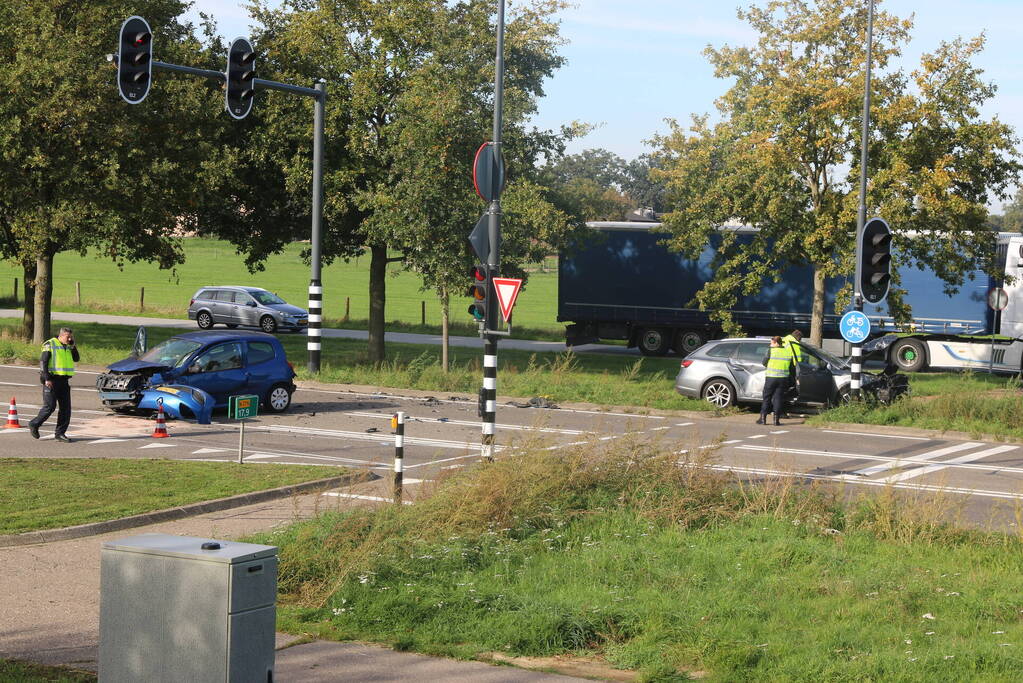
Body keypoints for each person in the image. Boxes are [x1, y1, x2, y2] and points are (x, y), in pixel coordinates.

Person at [29, 327, 80, 443]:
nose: (70, 338)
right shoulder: (50, 344)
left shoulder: (68, 345)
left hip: (64, 381)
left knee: (66, 409)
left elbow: (76, 358)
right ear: (61, 335)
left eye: (71, 336)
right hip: (51, 380)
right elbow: (43, 362)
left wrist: (73, 346)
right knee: (50, 407)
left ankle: (60, 433)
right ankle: (34, 424)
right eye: (68, 336)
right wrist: (46, 378)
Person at [758, 335, 793, 426]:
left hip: (771, 378)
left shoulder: (771, 350)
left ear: (776, 343)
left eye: (772, 343)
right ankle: (776, 421)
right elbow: (791, 366)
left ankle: (763, 419)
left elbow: (764, 362)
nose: (770, 344)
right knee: (778, 399)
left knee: (767, 398)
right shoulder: (788, 351)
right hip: (783, 379)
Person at [779, 329, 804, 417]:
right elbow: (798, 361)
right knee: (785, 391)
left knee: (780, 391)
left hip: (780, 368)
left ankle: (778, 410)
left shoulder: (784, 340)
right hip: (789, 369)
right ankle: (782, 411)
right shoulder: (794, 344)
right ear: (798, 338)